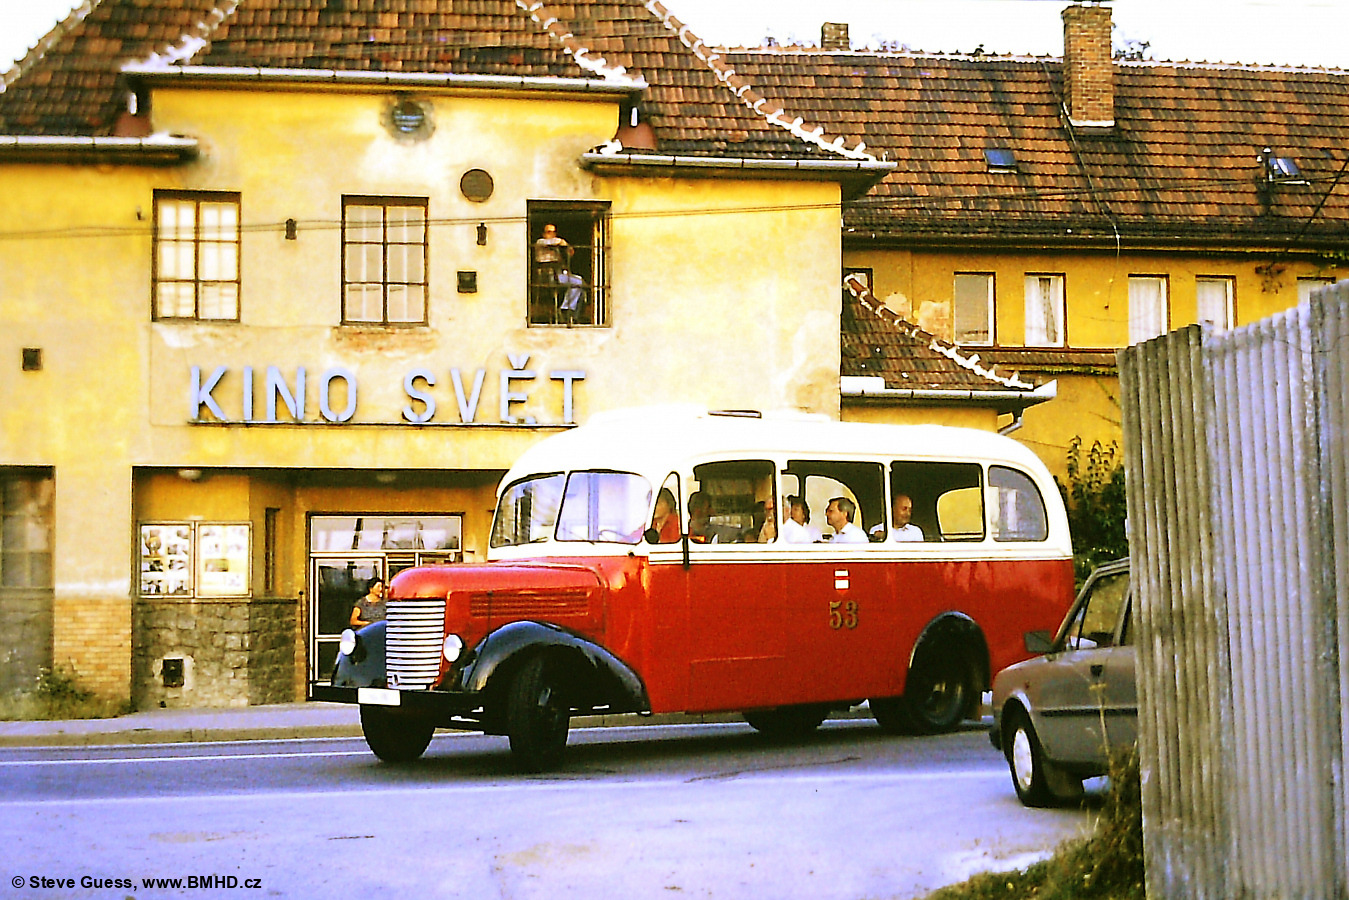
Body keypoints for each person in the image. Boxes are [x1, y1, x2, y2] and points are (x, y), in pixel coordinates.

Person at [533, 223, 584, 318]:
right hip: (548, 275)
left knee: (581, 285)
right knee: (578, 282)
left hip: (558, 274)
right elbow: (555, 242)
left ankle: (573, 316)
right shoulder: (540, 242)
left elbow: (569, 253)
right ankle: (566, 309)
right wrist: (563, 243)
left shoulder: (556, 248)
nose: (552, 235)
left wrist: (568, 250)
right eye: (549, 232)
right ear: (543, 234)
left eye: (554, 232)